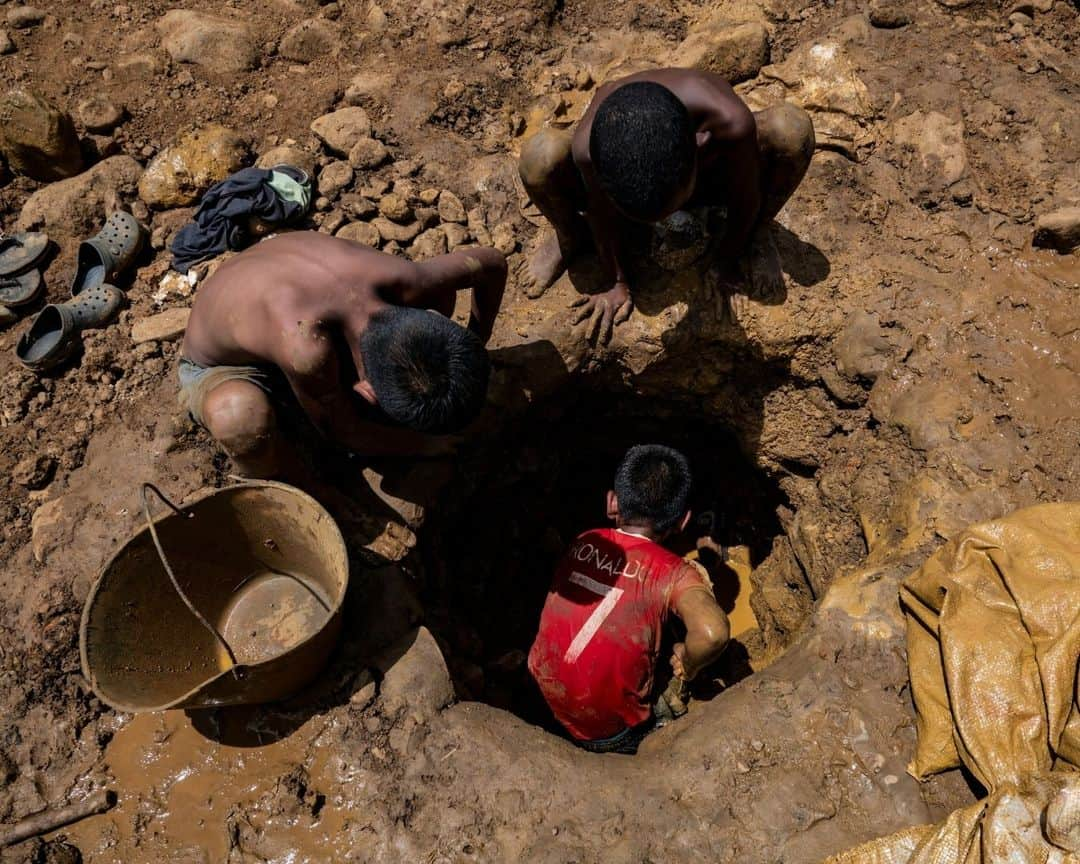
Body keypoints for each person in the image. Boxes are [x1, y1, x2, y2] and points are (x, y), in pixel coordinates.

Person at [518, 67, 815, 340]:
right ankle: (570, 235)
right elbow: (600, 213)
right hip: (641, 163)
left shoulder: (728, 124)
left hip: (711, 171)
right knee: (540, 158)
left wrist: (727, 258)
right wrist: (616, 281)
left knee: (791, 129)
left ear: (700, 148)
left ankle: (759, 232)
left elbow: (746, 196)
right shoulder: (589, 150)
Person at [179, 231, 507, 478]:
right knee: (242, 420)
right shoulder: (308, 354)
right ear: (366, 390)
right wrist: (422, 445)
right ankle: (307, 490)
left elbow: (492, 263)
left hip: (280, 289)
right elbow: (346, 433)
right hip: (220, 360)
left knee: (443, 298)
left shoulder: (411, 280)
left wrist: (476, 340)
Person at [527, 444, 731, 754]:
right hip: (609, 733)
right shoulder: (674, 573)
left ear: (612, 503)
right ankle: (659, 723)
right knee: (692, 596)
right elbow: (712, 633)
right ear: (683, 522)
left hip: (544, 696)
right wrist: (687, 664)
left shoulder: (585, 540)